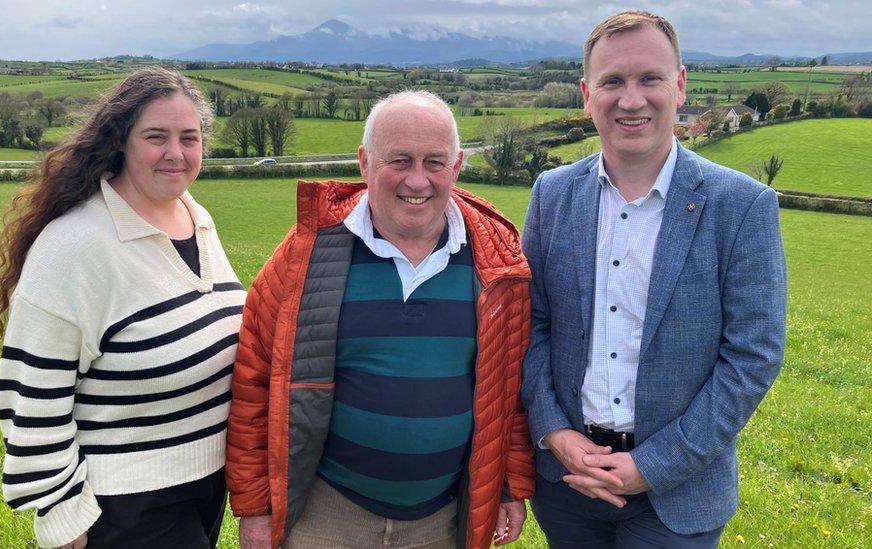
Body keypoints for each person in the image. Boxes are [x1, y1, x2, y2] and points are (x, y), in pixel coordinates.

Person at [521, 10, 787, 548]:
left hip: (678, 496)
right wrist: (553, 431)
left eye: (650, 79)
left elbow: (753, 354)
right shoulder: (552, 194)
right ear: (586, 94)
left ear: (681, 84)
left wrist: (655, 464)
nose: (632, 99)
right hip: (568, 483)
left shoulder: (741, 205)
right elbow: (531, 324)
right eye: (612, 81)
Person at [226, 90, 534, 549]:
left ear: (458, 165)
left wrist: (509, 486)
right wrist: (253, 510)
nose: (417, 180)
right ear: (364, 162)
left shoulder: (496, 262)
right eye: (399, 160)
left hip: (442, 521)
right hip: (326, 514)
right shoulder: (305, 255)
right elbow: (254, 382)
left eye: (434, 162)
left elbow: (508, 392)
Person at [0, 67, 245, 548]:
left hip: (205, 488)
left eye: (189, 138)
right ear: (121, 143)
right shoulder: (75, 245)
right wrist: (63, 514)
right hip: (125, 504)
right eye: (157, 137)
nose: (176, 153)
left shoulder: (195, 216)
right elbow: (29, 391)